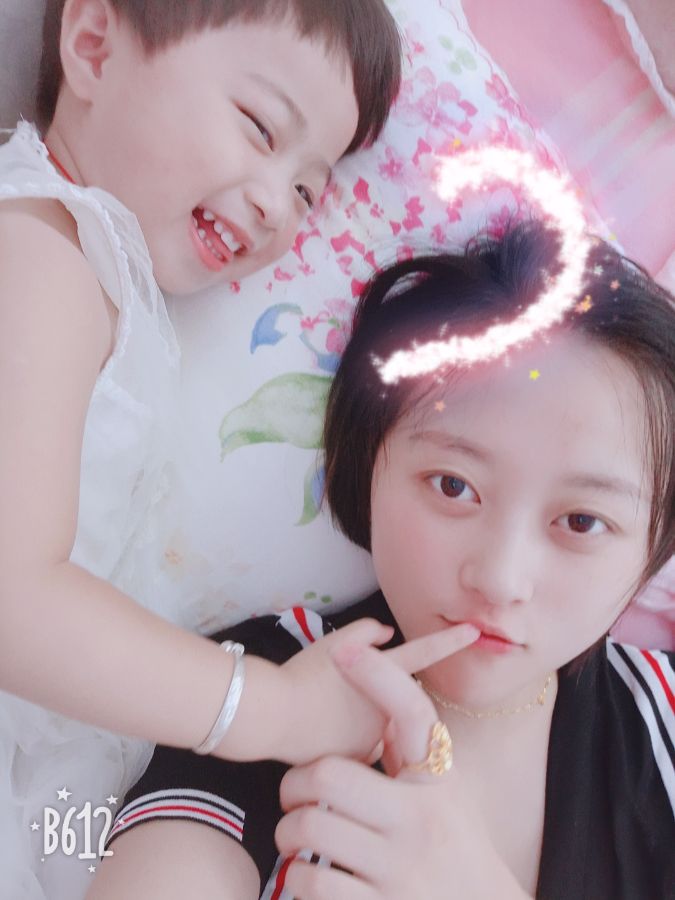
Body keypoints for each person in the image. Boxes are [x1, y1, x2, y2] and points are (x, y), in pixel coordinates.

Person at [95, 221, 674, 899]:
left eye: (581, 522)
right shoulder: (266, 693)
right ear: (367, 462)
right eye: (452, 486)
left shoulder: (661, 719)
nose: (499, 578)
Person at [0, 1, 406, 897]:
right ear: (94, 46)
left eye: (308, 190)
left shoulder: (91, 273)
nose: (275, 205)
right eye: (259, 127)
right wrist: (272, 709)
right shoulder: (38, 254)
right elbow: (10, 597)